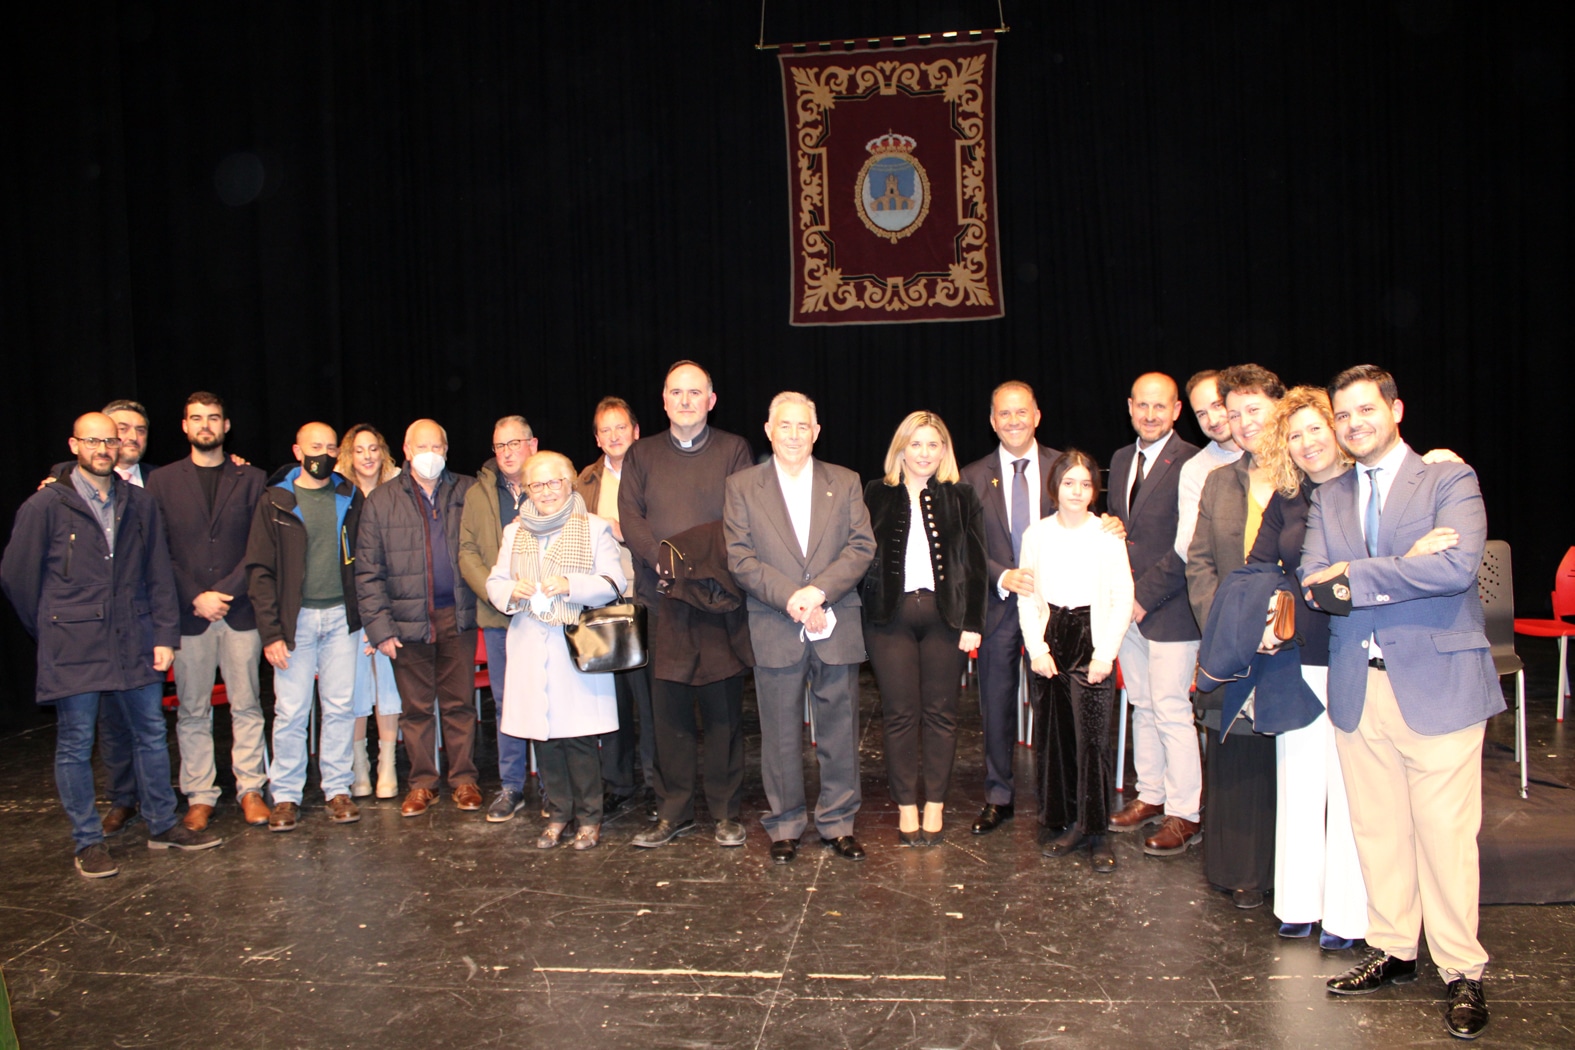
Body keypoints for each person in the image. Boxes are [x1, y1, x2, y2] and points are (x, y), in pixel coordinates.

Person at [1301, 365, 1499, 1040]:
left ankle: (1460, 969)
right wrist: (1398, 565)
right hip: (1360, 687)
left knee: (1444, 837)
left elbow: (1454, 568)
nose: (1353, 424)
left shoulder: (1448, 480)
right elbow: (1313, 588)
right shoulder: (1327, 498)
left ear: (1395, 410)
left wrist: (1356, 574)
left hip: (1437, 686)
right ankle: (1392, 947)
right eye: (1343, 415)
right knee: (1377, 829)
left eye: (1364, 410)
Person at [2, 412, 222, 877]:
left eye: (111, 440)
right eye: (93, 441)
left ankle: (162, 824)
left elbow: (159, 574)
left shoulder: (139, 503)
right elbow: (17, 578)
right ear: (75, 444)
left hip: (135, 637)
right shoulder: (45, 506)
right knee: (77, 742)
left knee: (150, 733)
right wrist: (52, 629)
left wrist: (164, 635)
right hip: (74, 644)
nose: (104, 448)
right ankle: (88, 841)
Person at [724, 391, 876, 863]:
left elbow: (860, 547)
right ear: (768, 432)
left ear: (817, 432)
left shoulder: (846, 481)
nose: (793, 435)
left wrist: (818, 593)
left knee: (839, 731)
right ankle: (785, 824)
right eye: (783, 426)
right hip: (775, 621)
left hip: (835, 621)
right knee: (780, 734)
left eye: (802, 426)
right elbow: (740, 557)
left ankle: (837, 822)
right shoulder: (742, 486)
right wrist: (792, 597)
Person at [1247, 386, 1372, 949]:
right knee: (1298, 782)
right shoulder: (1286, 497)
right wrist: (1274, 611)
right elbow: (1256, 567)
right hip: (1299, 656)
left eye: (1314, 429)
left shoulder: (1366, 487)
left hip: (1357, 654)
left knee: (1352, 790)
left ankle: (1348, 917)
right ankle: (1299, 902)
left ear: (1336, 428)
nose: (1305, 442)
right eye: (1293, 435)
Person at [621, 362, 754, 848]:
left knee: (723, 714)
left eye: (694, 393)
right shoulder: (642, 453)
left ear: (711, 400)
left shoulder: (734, 450)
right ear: (663, 400)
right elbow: (629, 515)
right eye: (676, 392)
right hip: (662, 600)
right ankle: (672, 812)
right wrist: (663, 560)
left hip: (716, 598)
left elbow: (739, 517)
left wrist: (692, 564)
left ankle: (725, 812)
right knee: (668, 715)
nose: (685, 401)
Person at [485, 451, 624, 850]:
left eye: (554, 483)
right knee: (542, 736)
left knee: (579, 740)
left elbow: (612, 582)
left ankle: (590, 818)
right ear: (525, 489)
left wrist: (570, 584)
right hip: (530, 641)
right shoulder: (515, 532)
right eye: (536, 485)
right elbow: (495, 582)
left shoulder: (594, 528)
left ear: (570, 483)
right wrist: (512, 591)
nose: (545, 492)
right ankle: (558, 814)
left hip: (575, 643)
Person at [1185, 363, 1285, 908]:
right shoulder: (1221, 481)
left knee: (1287, 762)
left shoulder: (1310, 473)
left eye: (1255, 410)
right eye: (1234, 412)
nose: (1243, 423)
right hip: (1231, 645)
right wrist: (1229, 628)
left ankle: (1290, 878)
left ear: (1280, 407)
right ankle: (1238, 871)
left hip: (1293, 644)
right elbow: (1199, 565)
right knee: (1237, 761)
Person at [861, 411, 986, 846]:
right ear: (901, 447)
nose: (924, 453)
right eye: (916, 444)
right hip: (888, 618)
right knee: (899, 714)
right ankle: (905, 806)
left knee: (941, 714)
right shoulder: (875, 493)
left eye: (934, 444)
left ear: (945, 450)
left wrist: (973, 622)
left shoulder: (963, 496)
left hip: (945, 618)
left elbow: (976, 564)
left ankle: (935, 802)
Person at [145, 392, 269, 831]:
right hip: (188, 614)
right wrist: (197, 594)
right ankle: (200, 794)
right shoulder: (160, 482)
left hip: (238, 612)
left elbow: (260, 546)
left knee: (247, 705)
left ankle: (251, 788)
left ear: (226, 425)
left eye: (213, 418)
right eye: (196, 418)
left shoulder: (251, 479)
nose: (205, 425)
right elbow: (156, 551)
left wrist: (225, 592)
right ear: (184, 426)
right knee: (193, 709)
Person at [354, 419, 482, 817]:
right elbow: (367, 570)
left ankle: (464, 780)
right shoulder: (381, 500)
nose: (430, 454)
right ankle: (422, 783)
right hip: (407, 622)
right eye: (421, 447)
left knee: (460, 704)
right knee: (415, 709)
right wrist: (379, 628)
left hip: (458, 616)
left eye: (437, 447)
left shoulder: (467, 491)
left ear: (447, 450)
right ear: (406, 451)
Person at [1018, 450, 1134, 872]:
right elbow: (1028, 596)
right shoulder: (1037, 534)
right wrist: (1037, 648)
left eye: (1086, 484)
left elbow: (1122, 597)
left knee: (1093, 741)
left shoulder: (1107, 534)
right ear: (1055, 487)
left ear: (1094, 490)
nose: (1077, 491)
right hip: (1052, 637)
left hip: (1092, 637)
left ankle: (1096, 830)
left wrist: (1105, 654)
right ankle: (1065, 819)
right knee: (1055, 737)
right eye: (1069, 483)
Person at [246, 423, 365, 830]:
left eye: (331, 447)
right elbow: (260, 571)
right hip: (293, 622)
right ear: (297, 450)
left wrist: (362, 617)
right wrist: (271, 632)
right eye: (316, 447)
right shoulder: (275, 501)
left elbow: (363, 561)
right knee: (291, 711)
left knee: (339, 707)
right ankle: (285, 796)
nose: (324, 454)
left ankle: (337, 788)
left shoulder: (350, 496)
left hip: (340, 620)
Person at [1105, 373, 1203, 856]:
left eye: (1159, 407)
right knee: (1143, 705)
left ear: (1177, 409)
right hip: (1130, 607)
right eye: (1141, 405)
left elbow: (1188, 548)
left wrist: (1141, 597)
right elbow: (1129, 533)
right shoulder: (1122, 459)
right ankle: (1151, 794)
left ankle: (1185, 813)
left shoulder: (1193, 462)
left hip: (1170, 607)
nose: (1149, 414)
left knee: (1170, 709)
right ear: (1129, 406)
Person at [958, 381, 1061, 836]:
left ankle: (1055, 797)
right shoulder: (971, 476)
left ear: (1037, 415)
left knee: (1053, 707)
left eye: (1022, 412)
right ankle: (998, 795)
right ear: (992, 420)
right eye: (1004, 414)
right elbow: (963, 545)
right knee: (996, 706)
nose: (1014, 421)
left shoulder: (1065, 468)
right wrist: (1002, 574)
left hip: (1054, 610)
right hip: (998, 606)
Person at [574, 396, 655, 814]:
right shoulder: (583, 481)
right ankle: (619, 784)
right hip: (604, 606)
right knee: (613, 701)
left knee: (652, 702)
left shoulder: (656, 471)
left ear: (636, 431)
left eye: (620, 427)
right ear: (597, 438)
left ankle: (660, 786)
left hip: (648, 601)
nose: (613, 436)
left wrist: (619, 530)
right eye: (605, 430)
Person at [459, 415, 539, 822]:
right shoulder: (478, 494)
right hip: (498, 615)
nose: (507, 452)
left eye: (515, 443)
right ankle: (511, 786)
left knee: (547, 697)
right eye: (500, 445)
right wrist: (497, 591)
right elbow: (467, 553)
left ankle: (552, 784)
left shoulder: (553, 484)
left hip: (547, 615)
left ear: (533, 445)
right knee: (507, 703)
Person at [337, 423, 404, 798]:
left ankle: (387, 764)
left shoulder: (397, 491)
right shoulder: (337, 493)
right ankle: (359, 763)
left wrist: (379, 619)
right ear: (349, 455)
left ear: (383, 453)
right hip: (349, 609)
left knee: (389, 687)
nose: (367, 456)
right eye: (359, 449)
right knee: (355, 687)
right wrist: (361, 618)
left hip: (390, 606)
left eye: (373, 448)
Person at [1174, 371, 1244, 561]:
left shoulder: (1266, 453)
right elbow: (1186, 545)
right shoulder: (1194, 470)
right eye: (1202, 414)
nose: (1212, 420)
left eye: (1217, 405)